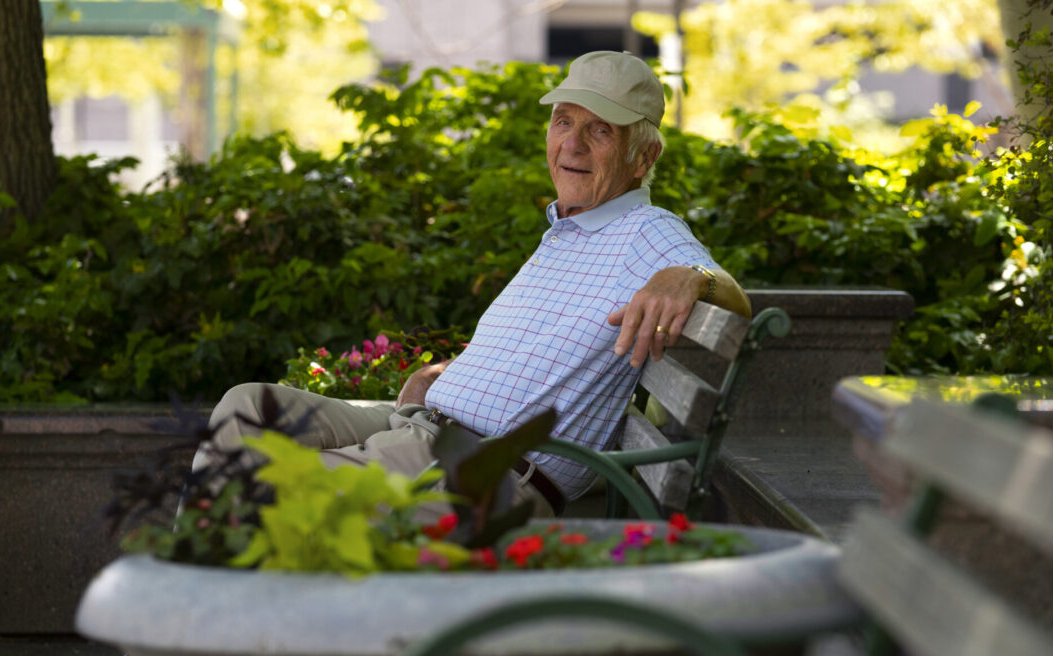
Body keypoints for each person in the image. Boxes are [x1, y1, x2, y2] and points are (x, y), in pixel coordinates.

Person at [196, 51, 751, 519]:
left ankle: (188, 624)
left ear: (643, 156)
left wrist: (692, 277)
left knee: (256, 483)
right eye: (563, 121)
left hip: (476, 470)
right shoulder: (570, 230)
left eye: (600, 130)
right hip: (423, 426)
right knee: (247, 407)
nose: (573, 145)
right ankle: (198, 615)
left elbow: (736, 300)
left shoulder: (645, 232)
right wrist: (445, 376)